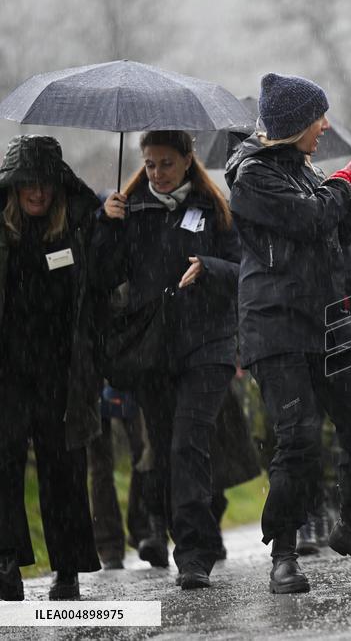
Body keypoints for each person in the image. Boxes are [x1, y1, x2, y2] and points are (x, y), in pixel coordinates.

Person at [225, 72, 351, 594]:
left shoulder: (301, 169)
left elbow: (330, 235)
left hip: (327, 320)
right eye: (318, 116)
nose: (325, 125)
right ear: (293, 122)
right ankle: (283, 551)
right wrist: (345, 186)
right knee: (297, 439)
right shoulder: (251, 175)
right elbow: (310, 219)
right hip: (275, 326)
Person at [93, 130, 240, 589]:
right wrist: (106, 224)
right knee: (165, 448)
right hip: (152, 353)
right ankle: (187, 529)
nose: (157, 173)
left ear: (187, 159)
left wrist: (209, 268)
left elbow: (242, 270)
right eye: (150, 164)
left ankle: (194, 553)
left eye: (166, 164)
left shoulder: (213, 208)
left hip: (207, 346)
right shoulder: (129, 208)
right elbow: (101, 276)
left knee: (187, 443)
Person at [0, 135, 102, 600]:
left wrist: (107, 220)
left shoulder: (79, 228)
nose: (36, 193)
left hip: (62, 372)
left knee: (63, 469)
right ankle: (5, 563)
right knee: (4, 465)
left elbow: (102, 286)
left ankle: (67, 568)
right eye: (27, 184)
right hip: (7, 372)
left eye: (44, 183)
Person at [87, 384, 152, 570]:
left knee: (142, 454)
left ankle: (141, 529)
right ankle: (110, 545)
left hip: (127, 373)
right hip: (96, 378)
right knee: (101, 468)